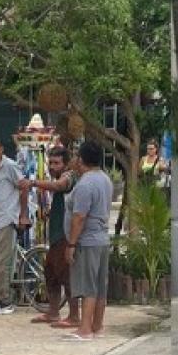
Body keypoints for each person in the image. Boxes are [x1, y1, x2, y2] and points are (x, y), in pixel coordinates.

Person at [22, 147, 81, 328]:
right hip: (56, 235)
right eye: (51, 162)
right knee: (50, 273)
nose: (52, 166)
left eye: (57, 163)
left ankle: (73, 315)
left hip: (65, 235)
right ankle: (53, 312)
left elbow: (59, 186)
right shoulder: (62, 177)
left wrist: (33, 183)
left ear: (66, 163)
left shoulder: (70, 177)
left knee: (65, 275)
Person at [64, 140, 114, 341]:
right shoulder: (105, 179)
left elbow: (79, 217)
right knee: (100, 285)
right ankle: (97, 326)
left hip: (88, 241)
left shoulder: (86, 184)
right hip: (101, 239)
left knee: (88, 285)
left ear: (81, 159)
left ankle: (85, 329)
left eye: (76, 155)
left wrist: (71, 244)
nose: (74, 159)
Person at [0, 137, 29, 315]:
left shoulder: (10, 166)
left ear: (1, 149)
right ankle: (2, 297)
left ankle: (5, 301)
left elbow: (24, 187)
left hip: (5, 220)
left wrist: (23, 215)